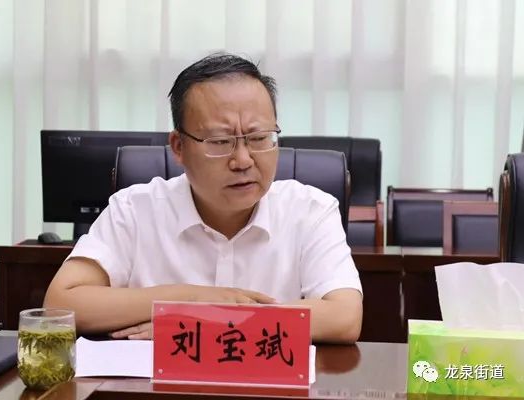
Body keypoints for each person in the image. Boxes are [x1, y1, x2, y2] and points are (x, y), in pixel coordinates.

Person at [44, 52, 363, 343]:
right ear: (179, 147)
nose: (243, 160)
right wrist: (190, 299)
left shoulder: (311, 211)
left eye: (258, 138)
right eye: (220, 142)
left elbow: (345, 317)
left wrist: (209, 323)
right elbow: (60, 304)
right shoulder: (134, 210)